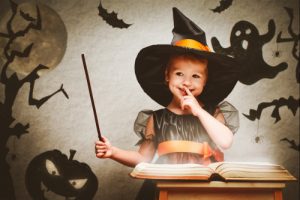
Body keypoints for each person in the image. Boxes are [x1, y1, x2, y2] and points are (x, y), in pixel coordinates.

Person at [95, 7, 240, 200]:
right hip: (164, 188)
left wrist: (198, 111)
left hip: (204, 189)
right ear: (167, 76)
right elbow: (143, 159)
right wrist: (113, 152)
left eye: (195, 76)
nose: (187, 82)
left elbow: (225, 141)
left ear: (205, 82)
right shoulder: (157, 119)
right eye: (179, 74)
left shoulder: (212, 113)